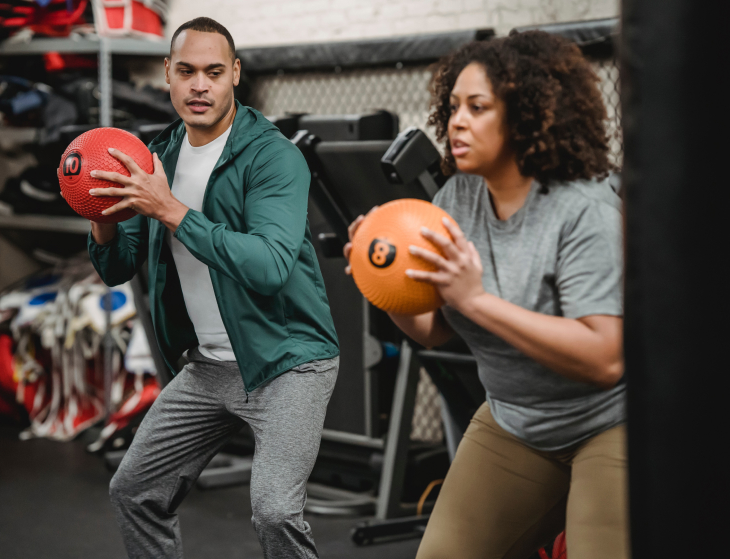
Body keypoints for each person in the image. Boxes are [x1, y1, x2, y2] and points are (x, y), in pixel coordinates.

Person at [345, 31, 627, 559]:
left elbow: (606, 358)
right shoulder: (459, 199)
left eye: (477, 107)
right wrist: (381, 281)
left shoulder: (584, 212)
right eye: (453, 106)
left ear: (526, 115)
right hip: (515, 419)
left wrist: (476, 301)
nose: (456, 121)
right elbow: (431, 330)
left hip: (610, 423)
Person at [86, 17, 339, 559]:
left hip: (288, 362)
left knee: (274, 510)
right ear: (168, 76)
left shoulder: (273, 156)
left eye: (213, 72)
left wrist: (172, 211)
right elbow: (116, 267)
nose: (200, 85)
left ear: (235, 76)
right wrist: (100, 213)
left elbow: (270, 265)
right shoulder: (156, 160)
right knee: (133, 491)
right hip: (207, 367)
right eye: (187, 71)